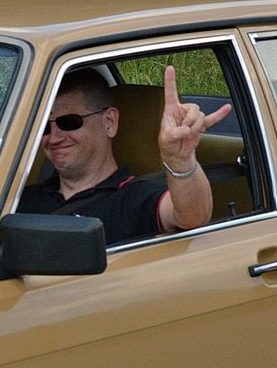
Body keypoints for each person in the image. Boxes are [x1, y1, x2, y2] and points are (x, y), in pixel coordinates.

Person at [17, 64, 233, 244]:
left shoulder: (137, 199)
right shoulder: (20, 199)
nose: (54, 137)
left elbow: (193, 217)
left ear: (109, 122)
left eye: (70, 123)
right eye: (44, 127)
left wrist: (180, 160)